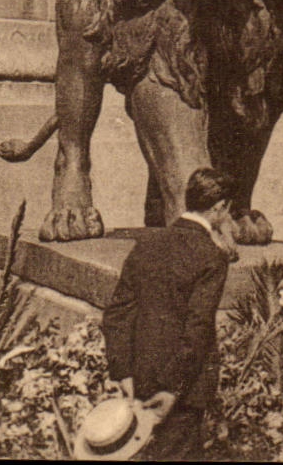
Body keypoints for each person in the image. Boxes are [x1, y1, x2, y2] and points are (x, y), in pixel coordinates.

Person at [102, 167, 237, 461]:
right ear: (219, 207)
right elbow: (197, 329)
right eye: (228, 211)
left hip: (138, 377)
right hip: (182, 389)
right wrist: (172, 390)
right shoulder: (211, 256)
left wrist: (122, 372)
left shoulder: (147, 245)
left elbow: (117, 314)